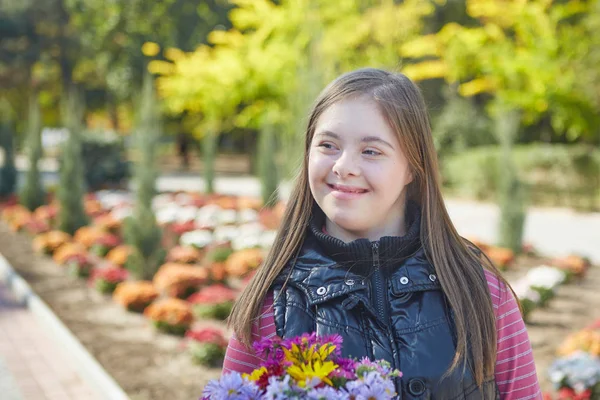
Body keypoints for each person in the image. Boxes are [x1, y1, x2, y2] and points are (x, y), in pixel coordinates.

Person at [224, 68, 541, 399]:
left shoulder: (479, 292)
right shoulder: (272, 301)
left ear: (412, 168)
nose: (344, 166)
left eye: (371, 151)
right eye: (328, 145)